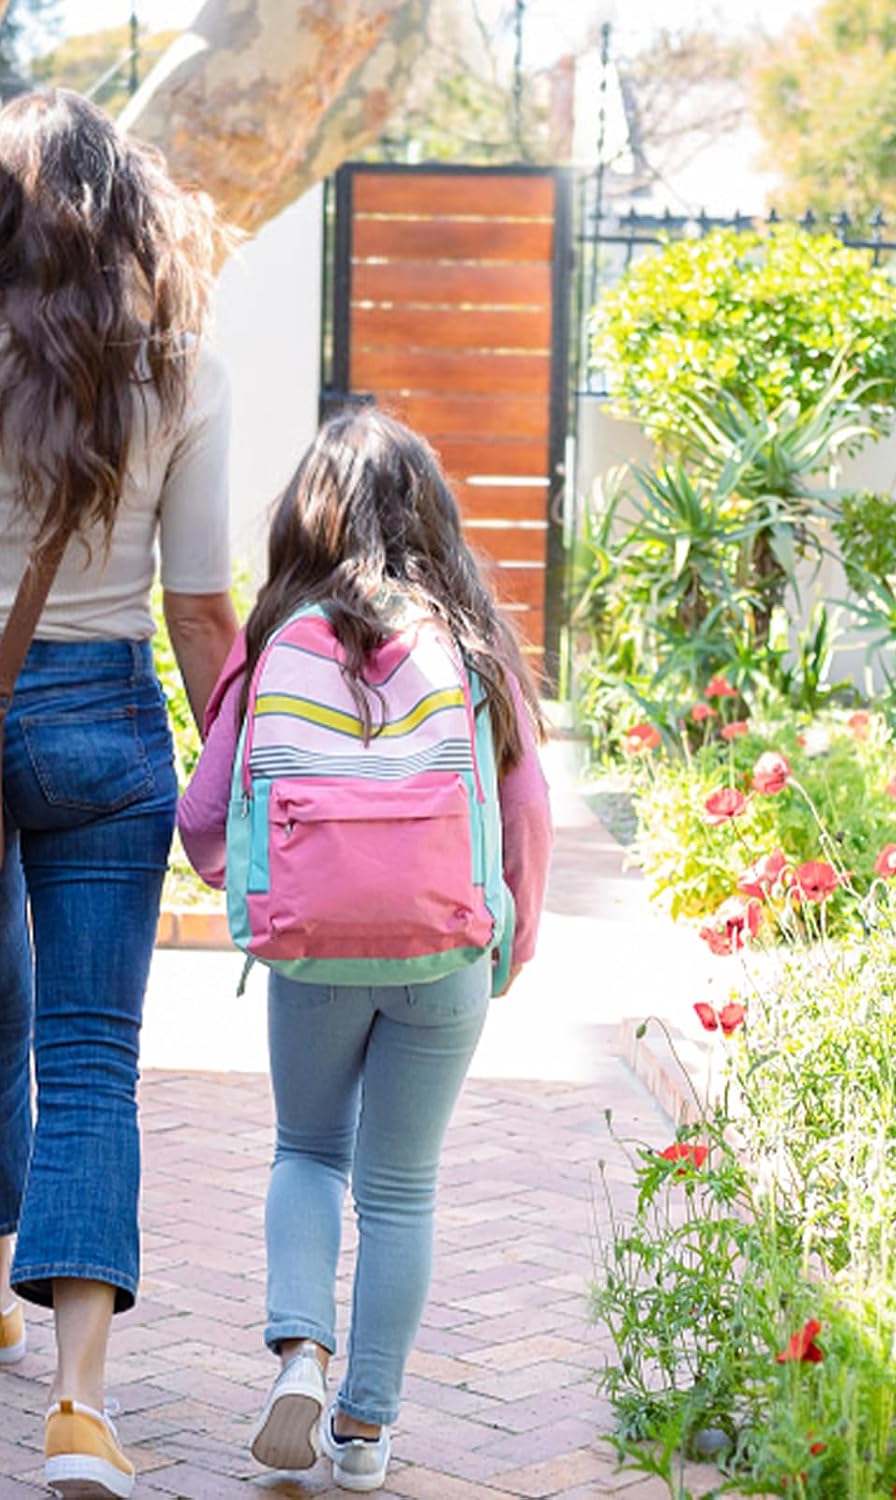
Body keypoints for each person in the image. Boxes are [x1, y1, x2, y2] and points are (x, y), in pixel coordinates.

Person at [177, 408, 552, 1491]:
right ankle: (364, 1431)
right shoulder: (474, 637)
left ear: (309, 512)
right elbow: (524, 812)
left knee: (307, 1151)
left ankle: (300, 1351)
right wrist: (512, 938)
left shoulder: (275, 635)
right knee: (400, 1190)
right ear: (432, 513)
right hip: (445, 956)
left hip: (313, 954)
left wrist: (261, 879)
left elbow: (206, 815)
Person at [0, 90, 237, 1500]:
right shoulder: (183, 369)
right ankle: (81, 1410)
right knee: (87, 1056)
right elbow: (201, 606)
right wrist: (236, 765)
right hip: (102, 716)